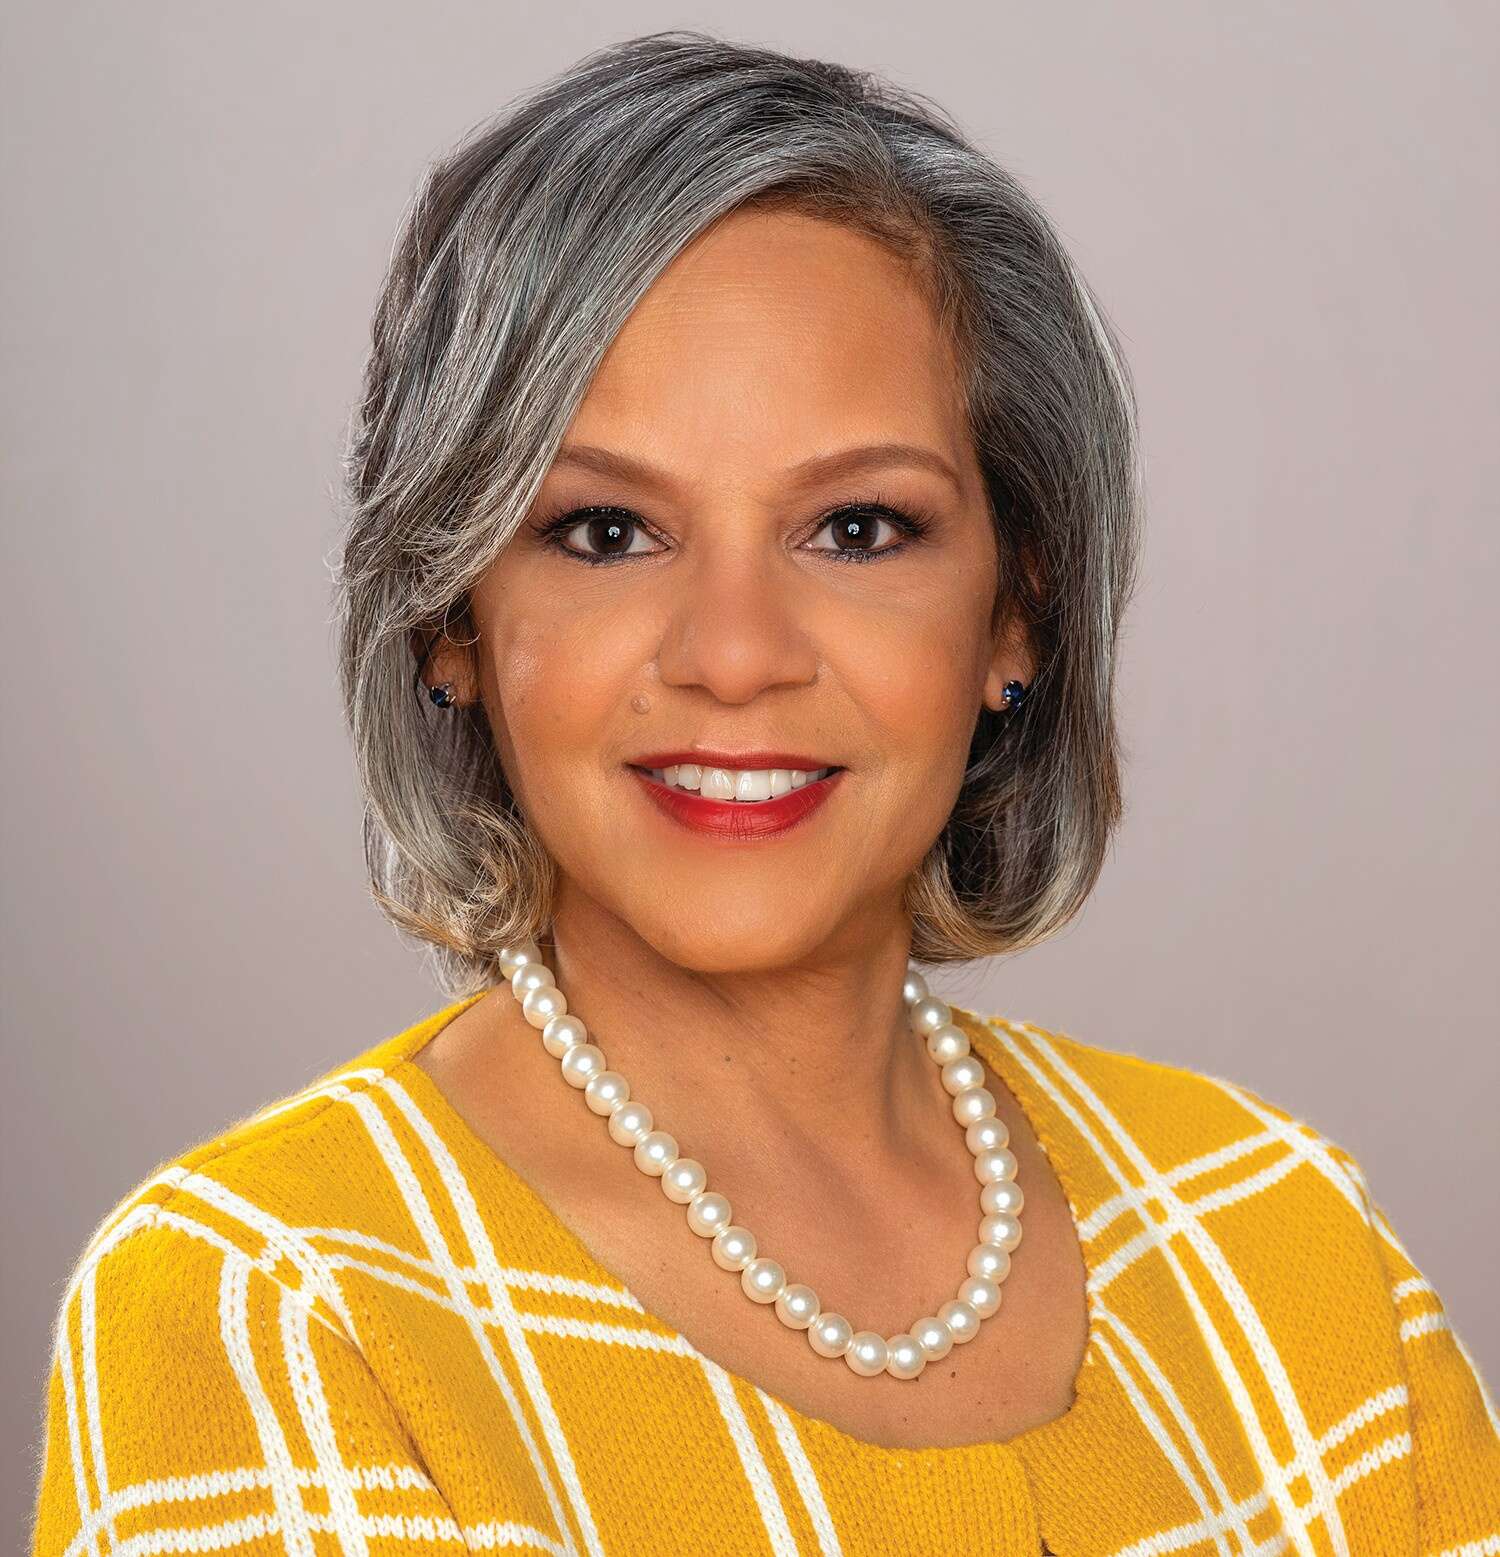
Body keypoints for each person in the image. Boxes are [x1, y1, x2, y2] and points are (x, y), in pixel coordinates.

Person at [30, 30, 1498, 1557]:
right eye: (606, 532)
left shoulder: (1284, 1239)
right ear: (450, 615)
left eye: (857, 528)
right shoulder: (271, 1307)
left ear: (1017, 612)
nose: (734, 656)